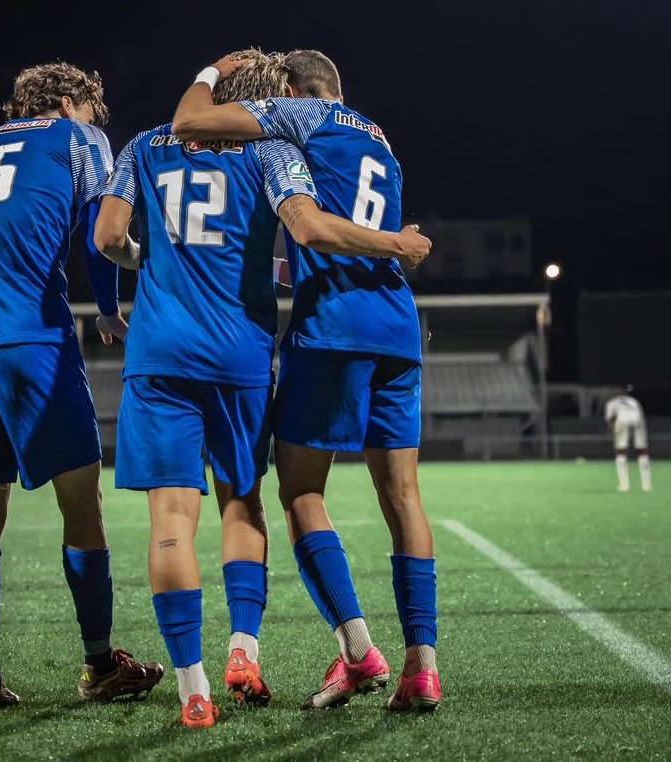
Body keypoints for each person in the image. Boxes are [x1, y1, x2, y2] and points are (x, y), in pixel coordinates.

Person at [95, 49, 431, 729]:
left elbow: (109, 236)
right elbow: (297, 228)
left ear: (283, 92)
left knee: (205, 512)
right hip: (308, 342)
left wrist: (150, 257)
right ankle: (396, 663)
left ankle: (202, 688)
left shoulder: (155, 144)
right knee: (266, 502)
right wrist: (395, 244)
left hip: (193, 345)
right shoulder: (353, 143)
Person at [0, 61, 164, 716]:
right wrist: (109, 309)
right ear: (66, 101)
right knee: (80, 500)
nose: (95, 122)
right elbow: (99, 235)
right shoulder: (76, 137)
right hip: (27, 333)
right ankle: (99, 665)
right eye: (90, 108)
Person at [603, 385, 652, 492]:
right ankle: (647, 485)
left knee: (621, 452)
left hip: (622, 420)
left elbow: (610, 419)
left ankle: (624, 485)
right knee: (642, 451)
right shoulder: (634, 401)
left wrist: (614, 432)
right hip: (637, 419)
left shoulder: (611, 402)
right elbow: (641, 417)